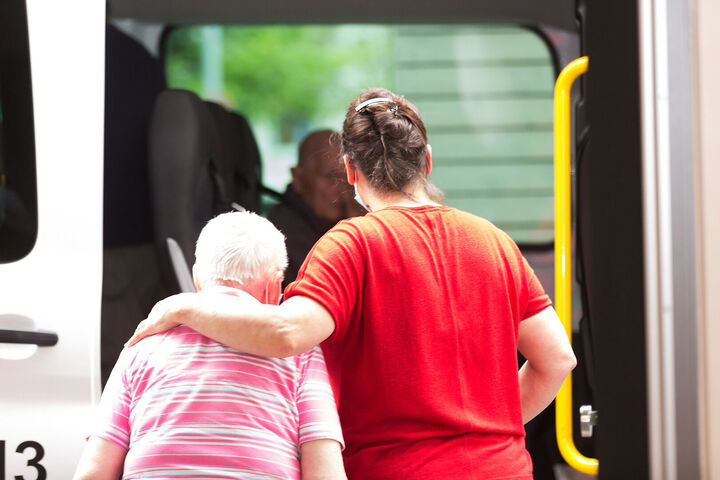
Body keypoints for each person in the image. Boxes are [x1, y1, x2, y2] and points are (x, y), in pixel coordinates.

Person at [127, 88, 577, 480]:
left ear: (349, 170)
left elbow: (285, 334)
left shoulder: (350, 244)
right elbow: (556, 358)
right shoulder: (494, 241)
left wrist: (182, 308)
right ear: (427, 160)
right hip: (503, 470)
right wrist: (488, 425)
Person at [74, 211, 345, 480]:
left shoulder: (142, 345)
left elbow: (93, 472)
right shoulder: (300, 352)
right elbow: (325, 471)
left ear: (197, 278)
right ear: (274, 287)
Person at [268, 129, 350, 288]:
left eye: (346, 177)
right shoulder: (283, 235)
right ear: (298, 178)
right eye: (330, 177)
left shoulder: (333, 224)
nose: (342, 189)